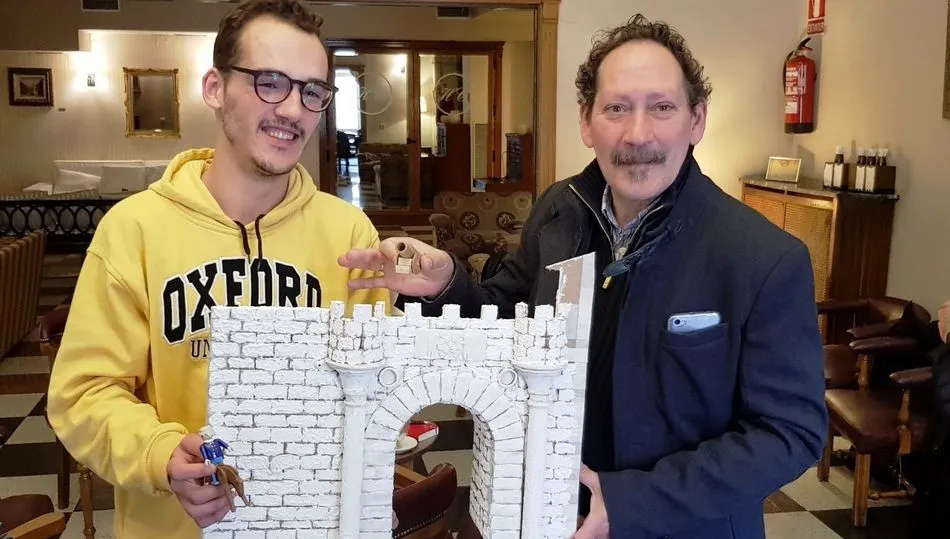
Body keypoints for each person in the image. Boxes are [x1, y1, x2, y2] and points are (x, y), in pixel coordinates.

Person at [340, 13, 827, 539]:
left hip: (683, 526)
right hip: (549, 513)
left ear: (697, 119)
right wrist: (446, 284)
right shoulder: (559, 211)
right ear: (586, 122)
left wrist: (631, 501)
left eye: (662, 107)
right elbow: (511, 318)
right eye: (616, 108)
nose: (637, 133)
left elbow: (789, 432)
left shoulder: (764, 258)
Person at [46, 1, 390, 537]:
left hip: (316, 524)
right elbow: (84, 393)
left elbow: (377, 387)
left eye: (312, 91)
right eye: (269, 82)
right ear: (214, 88)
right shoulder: (133, 230)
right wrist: (161, 453)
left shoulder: (350, 234)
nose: (293, 109)